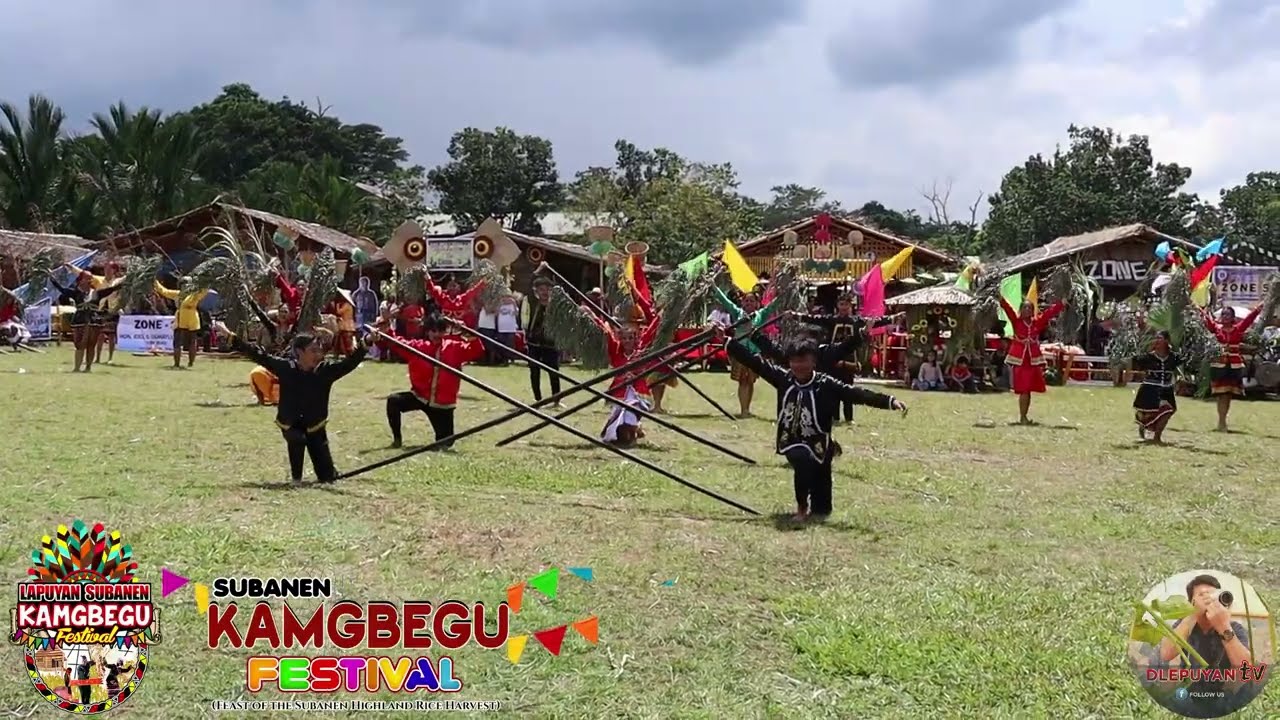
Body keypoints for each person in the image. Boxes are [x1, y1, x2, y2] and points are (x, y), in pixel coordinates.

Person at [726, 335, 907, 521]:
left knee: (822, 507)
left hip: (820, 440)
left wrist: (889, 402)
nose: (799, 366)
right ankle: (801, 507)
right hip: (792, 440)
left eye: (803, 361)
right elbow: (755, 363)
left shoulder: (826, 384)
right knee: (802, 458)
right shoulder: (783, 379)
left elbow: (855, 394)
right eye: (794, 361)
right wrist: (729, 342)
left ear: (813, 361)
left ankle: (821, 487)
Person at [216, 321, 367, 484]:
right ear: (299, 352)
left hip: (315, 425)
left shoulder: (326, 371)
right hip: (291, 423)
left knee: (327, 477)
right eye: (313, 351)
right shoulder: (286, 368)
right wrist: (229, 335)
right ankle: (296, 478)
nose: (318, 355)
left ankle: (328, 472)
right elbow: (257, 354)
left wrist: (367, 342)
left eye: (319, 351)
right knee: (297, 438)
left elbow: (350, 363)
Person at [1158, 574, 1257, 716]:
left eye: (1212, 595)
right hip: (1187, 693)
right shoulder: (1184, 625)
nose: (1208, 599)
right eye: (1201, 595)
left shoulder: (1233, 628)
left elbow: (1247, 669)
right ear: (1191, 602)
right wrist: (1192, 615)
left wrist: (1223, 627)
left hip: (1222, 694)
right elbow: (1165, 654)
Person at [380, 316, 485, 449]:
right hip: (420, 396)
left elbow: (477, 351)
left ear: (445, 331)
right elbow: (397, 343)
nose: (437, 334)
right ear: (428, 332)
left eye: (440, 331)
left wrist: (468, 333)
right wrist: (387, 329)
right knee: (393, 401)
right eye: (433, 331)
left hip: (442, 404)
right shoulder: (418, 347)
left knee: (446, 442)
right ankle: (397, 439)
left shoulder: (455, 347)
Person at [794, 294, 872, 423]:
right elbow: (815, 319)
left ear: (850, 306)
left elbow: (877, 320)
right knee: (833, 387)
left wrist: (892, 319)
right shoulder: (832, 320)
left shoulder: (857, 321)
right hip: (833, 357)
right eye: (841, 304)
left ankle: (849, 417)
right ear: (837, 305)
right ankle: (834, 416)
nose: (844, 307)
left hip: (850, 359)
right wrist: (798, 316)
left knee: (848, 388)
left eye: (846, 304)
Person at [997, 292, 1067, 424]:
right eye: (1025, 308)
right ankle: (1022, 417)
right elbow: (1008, 309)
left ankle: (1024, 416)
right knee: (1023, 389)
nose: (1027, 310)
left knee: (1028, 390)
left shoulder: (1037, 322)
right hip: (1020, 360)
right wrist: (1001, 298)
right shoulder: (1016, 321)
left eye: (1030, 308)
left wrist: (1061, 304)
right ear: (1021, 310)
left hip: (1032, 360)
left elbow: (1048, 314)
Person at [711, 285, 780, 418]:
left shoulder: (761, 314)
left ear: (757, 303)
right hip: (740, 351)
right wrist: (714, 286)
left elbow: (773, 305)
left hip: (754, 352)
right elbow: (725, 301)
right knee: (743, 381)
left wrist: (784, 292)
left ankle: (747, 409)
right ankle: (743, 410)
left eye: (751, 301)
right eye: (746, 301)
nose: (748, 303)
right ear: (742, 303)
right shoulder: (737, 313)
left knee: (750, 381)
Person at [1200, 303, 1264, 432]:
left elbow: (1249, 319)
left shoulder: (1238, 329)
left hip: (1234, 365)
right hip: (1219, 365)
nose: (1225, 317)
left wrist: (1258, 309)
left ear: (1233, 317)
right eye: (1223, 314)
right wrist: (1200, 310)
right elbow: (1207, 321)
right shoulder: (1216, 328)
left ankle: (1223, 421)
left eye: (1228, 314)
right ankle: (1221, 421)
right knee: (1220, 394)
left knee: (1228, 394)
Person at [51, 271, 119, 373]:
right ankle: (77, 368)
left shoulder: (96, 293)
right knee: (79, 345)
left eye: (90, 278)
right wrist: (51, 278)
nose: (89, 280)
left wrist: (126, 283)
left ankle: (88, 368)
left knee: (91, 345)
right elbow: (61, 289)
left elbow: (112, 289)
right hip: (80, 321)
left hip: (93, 321)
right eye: (86, 278)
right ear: (80, 280)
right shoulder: (75, 293)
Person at [1132, 331, 1180, 444]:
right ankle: (1144, 424)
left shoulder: (1173, 357)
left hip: (1166, 389)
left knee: (1168, 410)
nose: (1157, 340)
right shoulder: (1148, 357)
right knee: (1149, 413)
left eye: (1160, 338)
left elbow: (1188, 360)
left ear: (1167, 341)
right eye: (1156, 338)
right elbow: (1135, 361)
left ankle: (1157, 436)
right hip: (1150, 389)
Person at [522, 277, 564, 406]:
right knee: (534, 371)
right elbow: (528, 286)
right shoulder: (532, 301)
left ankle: (556, 400)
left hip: (551, 344)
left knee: (554, 372)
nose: (545, 293)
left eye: (548, 290)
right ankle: (538, 399)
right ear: (536, 291)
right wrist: (538, 271)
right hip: (534, 343)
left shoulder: (556, 304)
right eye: (541, 290)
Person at [152, 279, 210, 369]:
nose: (184, 286)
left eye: (186, 284)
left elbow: (204, 291)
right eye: (183, 284)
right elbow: (164, 291)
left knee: (192, 341)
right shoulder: (178, 294)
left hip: (192, 318)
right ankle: (176, 363)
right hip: (180, 318)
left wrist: (207, 282)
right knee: (177, 341)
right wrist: (155, 281)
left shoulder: (194, 295)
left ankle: (191, 362)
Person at [95, 261, 122, 364]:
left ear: (114, 270)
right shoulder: (100, 281)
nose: (106, 271)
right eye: (105, 268)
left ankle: (110, 358)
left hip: (113, 310)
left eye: (109, 269)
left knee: (111, 336)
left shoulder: (118, 282)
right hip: (101, 310)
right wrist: (71, 267)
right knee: (99, 335)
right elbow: (82, 273)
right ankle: (97, 357)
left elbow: (129, 277)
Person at [495, 292, 520, 364]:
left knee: (510, 344)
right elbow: (496, 314)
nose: (506, 299)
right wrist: (500, 304)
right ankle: (504, 359)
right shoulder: (500, 305)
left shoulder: (512, 306)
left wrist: (514, 303)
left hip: (510, 328)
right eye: (504, 297)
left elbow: (516, 314)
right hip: (501, 328)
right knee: (502, 344)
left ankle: (511, 358)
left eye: (507, 297)